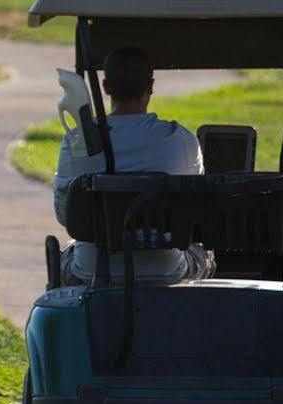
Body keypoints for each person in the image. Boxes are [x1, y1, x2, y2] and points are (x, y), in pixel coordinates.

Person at [52, 45, 213, 286]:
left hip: (94, 270)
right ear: (150, 87)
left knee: (65, 252)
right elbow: (198, 211)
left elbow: (67, 216)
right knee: (205, 254)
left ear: (106, 88)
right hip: (167, 268)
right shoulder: (181, 139)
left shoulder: (79, 141)